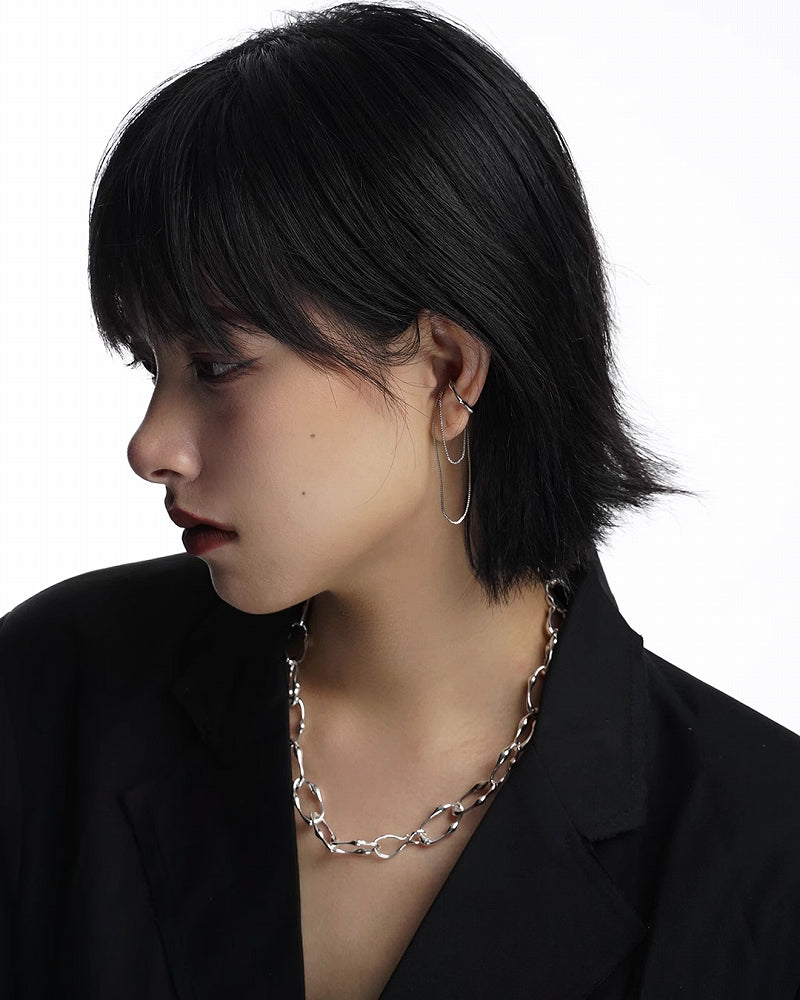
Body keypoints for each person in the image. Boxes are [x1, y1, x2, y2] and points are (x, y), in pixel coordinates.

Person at [1, 2, 799, 998]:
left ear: (446, 369)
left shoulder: (762, 855)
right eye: (148, 364)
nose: (149, 446)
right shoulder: (52, 696)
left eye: (216, 364)